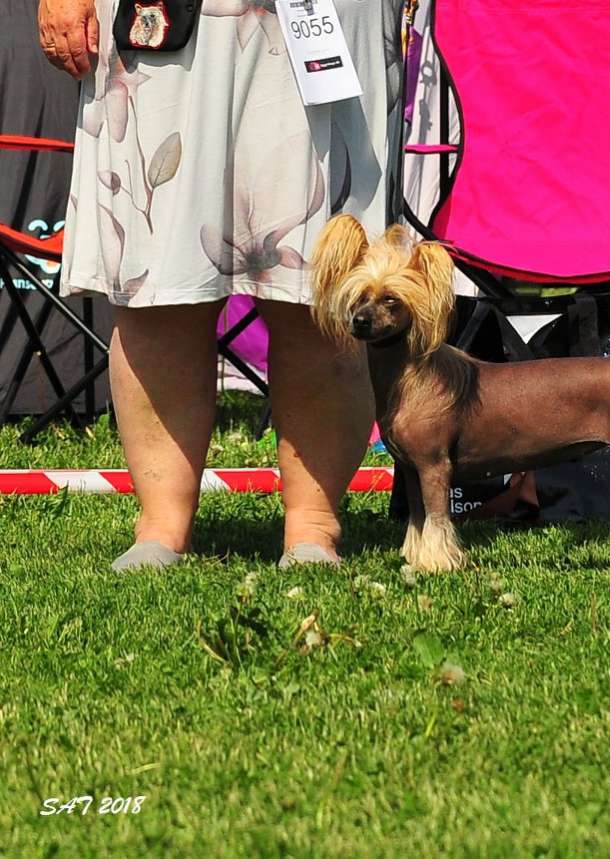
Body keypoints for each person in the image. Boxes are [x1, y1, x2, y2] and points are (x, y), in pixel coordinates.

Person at [38, 0, 404, 570]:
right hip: (165, 21)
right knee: (157, 285)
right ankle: (160, 525)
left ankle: (313, 526)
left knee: (320, 292)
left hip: (325, 21)